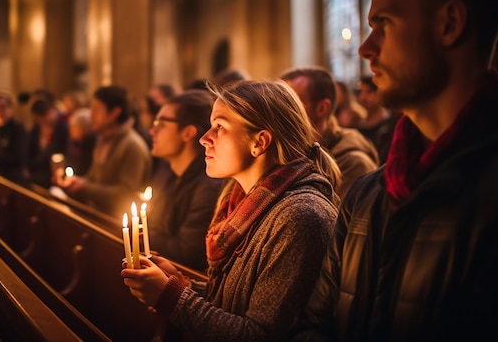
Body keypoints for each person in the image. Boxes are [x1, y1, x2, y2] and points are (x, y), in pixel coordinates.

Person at [293, 0, 498, 341]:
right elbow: (313, 325)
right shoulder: (366, 195)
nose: (365, 48)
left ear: (450, 24)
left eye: (384, 24)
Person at [122, 80, 340, 341]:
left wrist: (171, 296)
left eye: (219, 127)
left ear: (259, 142)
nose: (204, 139)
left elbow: (259, 334)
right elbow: (236, 301)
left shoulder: (300, 217)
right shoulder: (238, 200)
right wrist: (181, 284)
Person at [147, 89, 223, 272]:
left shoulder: (209, 184)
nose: (152, 131)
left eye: (161, 124)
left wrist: (138, 234)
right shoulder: (167, 171)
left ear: (188, 133)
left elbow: (187, 252)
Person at [281, 66, 379, 200]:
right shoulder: (289, 152)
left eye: (291, 104)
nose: (280, 112)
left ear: (322, 108)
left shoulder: (353, 164)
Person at [56, 85, 151, 218]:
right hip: (98, 214)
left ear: (115, 112)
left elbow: (127, 194)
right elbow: (93, 177)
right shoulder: (102, 138)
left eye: (96, 110)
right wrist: (74, 182)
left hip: (118, 224)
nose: (91, 115)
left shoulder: (132, 146)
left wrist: (85, 187)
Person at [26, 92, 69, 188]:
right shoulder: (36, 129)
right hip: (37, 173)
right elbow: (29, 151)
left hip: (51, 175)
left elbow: (57, 153)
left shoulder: (63, 128)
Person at [356, 75, 399, 164]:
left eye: (369, 91)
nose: (363, 97)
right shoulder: (357, 125)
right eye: (361, 92)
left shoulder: (392, 124)